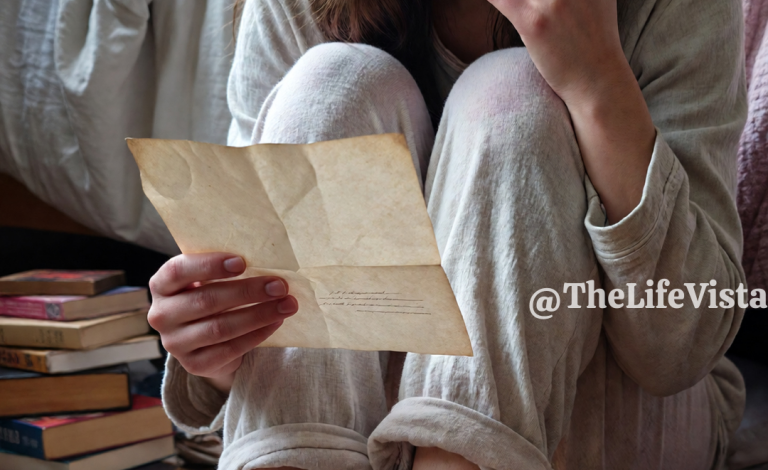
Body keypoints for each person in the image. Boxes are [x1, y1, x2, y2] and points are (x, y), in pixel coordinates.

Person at [146, 0, 748, 468]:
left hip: (608, 405)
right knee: (333, 82)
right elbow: (265, 358)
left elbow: (680, 349)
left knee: (512, 94)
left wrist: (597, 86)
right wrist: (219, 338)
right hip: (353, 421)